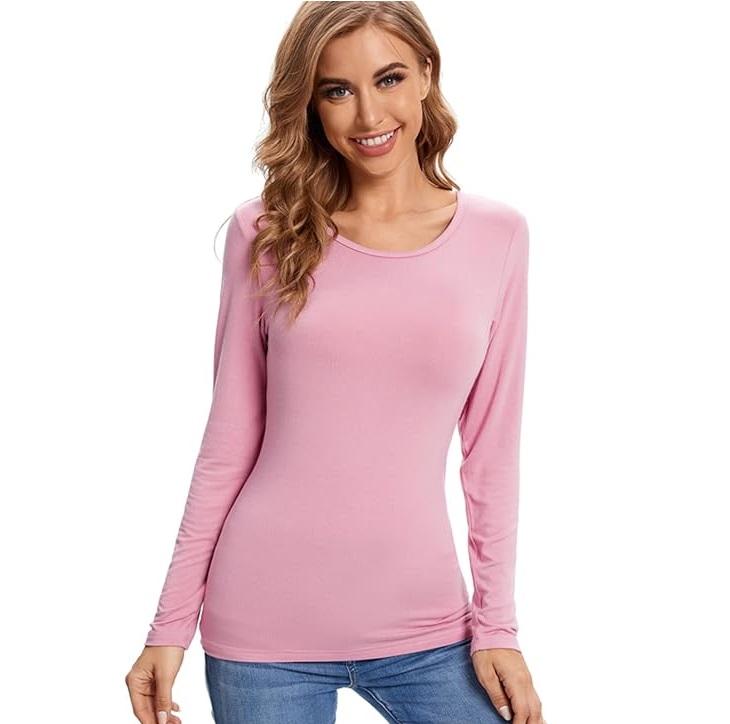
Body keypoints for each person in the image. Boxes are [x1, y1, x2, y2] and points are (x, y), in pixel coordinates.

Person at [125, 2, 546, 723]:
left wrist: (497, 628)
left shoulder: (497, 236)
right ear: (312, 104)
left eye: (389, 78)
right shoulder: (267, 231)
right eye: (337, 90)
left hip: (428, 629)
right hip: (262, 629)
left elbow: (490, 456)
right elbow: (228, 442)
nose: (368, 114)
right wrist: (170, 626)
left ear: (426, 75)